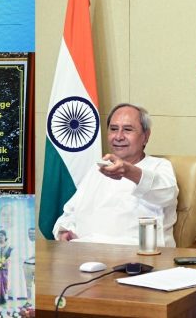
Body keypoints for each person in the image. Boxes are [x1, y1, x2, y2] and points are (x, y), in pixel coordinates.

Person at [52, 103, 179, 247]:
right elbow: (70, 213)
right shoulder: (97, 168)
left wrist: (128, 170)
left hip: (137, 256)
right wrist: (63, 231)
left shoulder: (159, 166)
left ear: (146, 136)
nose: (118, 136)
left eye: (127, 129)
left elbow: (166, 195)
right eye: (113, 129)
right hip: (83, 253)